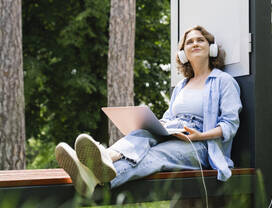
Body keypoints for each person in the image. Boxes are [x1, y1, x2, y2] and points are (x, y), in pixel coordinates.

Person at [55, 25, 242, 197]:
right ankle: (101, 161)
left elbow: (229, 125)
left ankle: (91, 174)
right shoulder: (181, 87)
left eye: (200, 40)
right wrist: (158, 124)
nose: (195, 44)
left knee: (156, 154)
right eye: (189, 42)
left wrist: (198, 136)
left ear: (211, 48)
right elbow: (170, 117)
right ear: (183, 53)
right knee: (141, 133)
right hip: (174, 131)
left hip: (201, 145)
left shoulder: (223, 81)